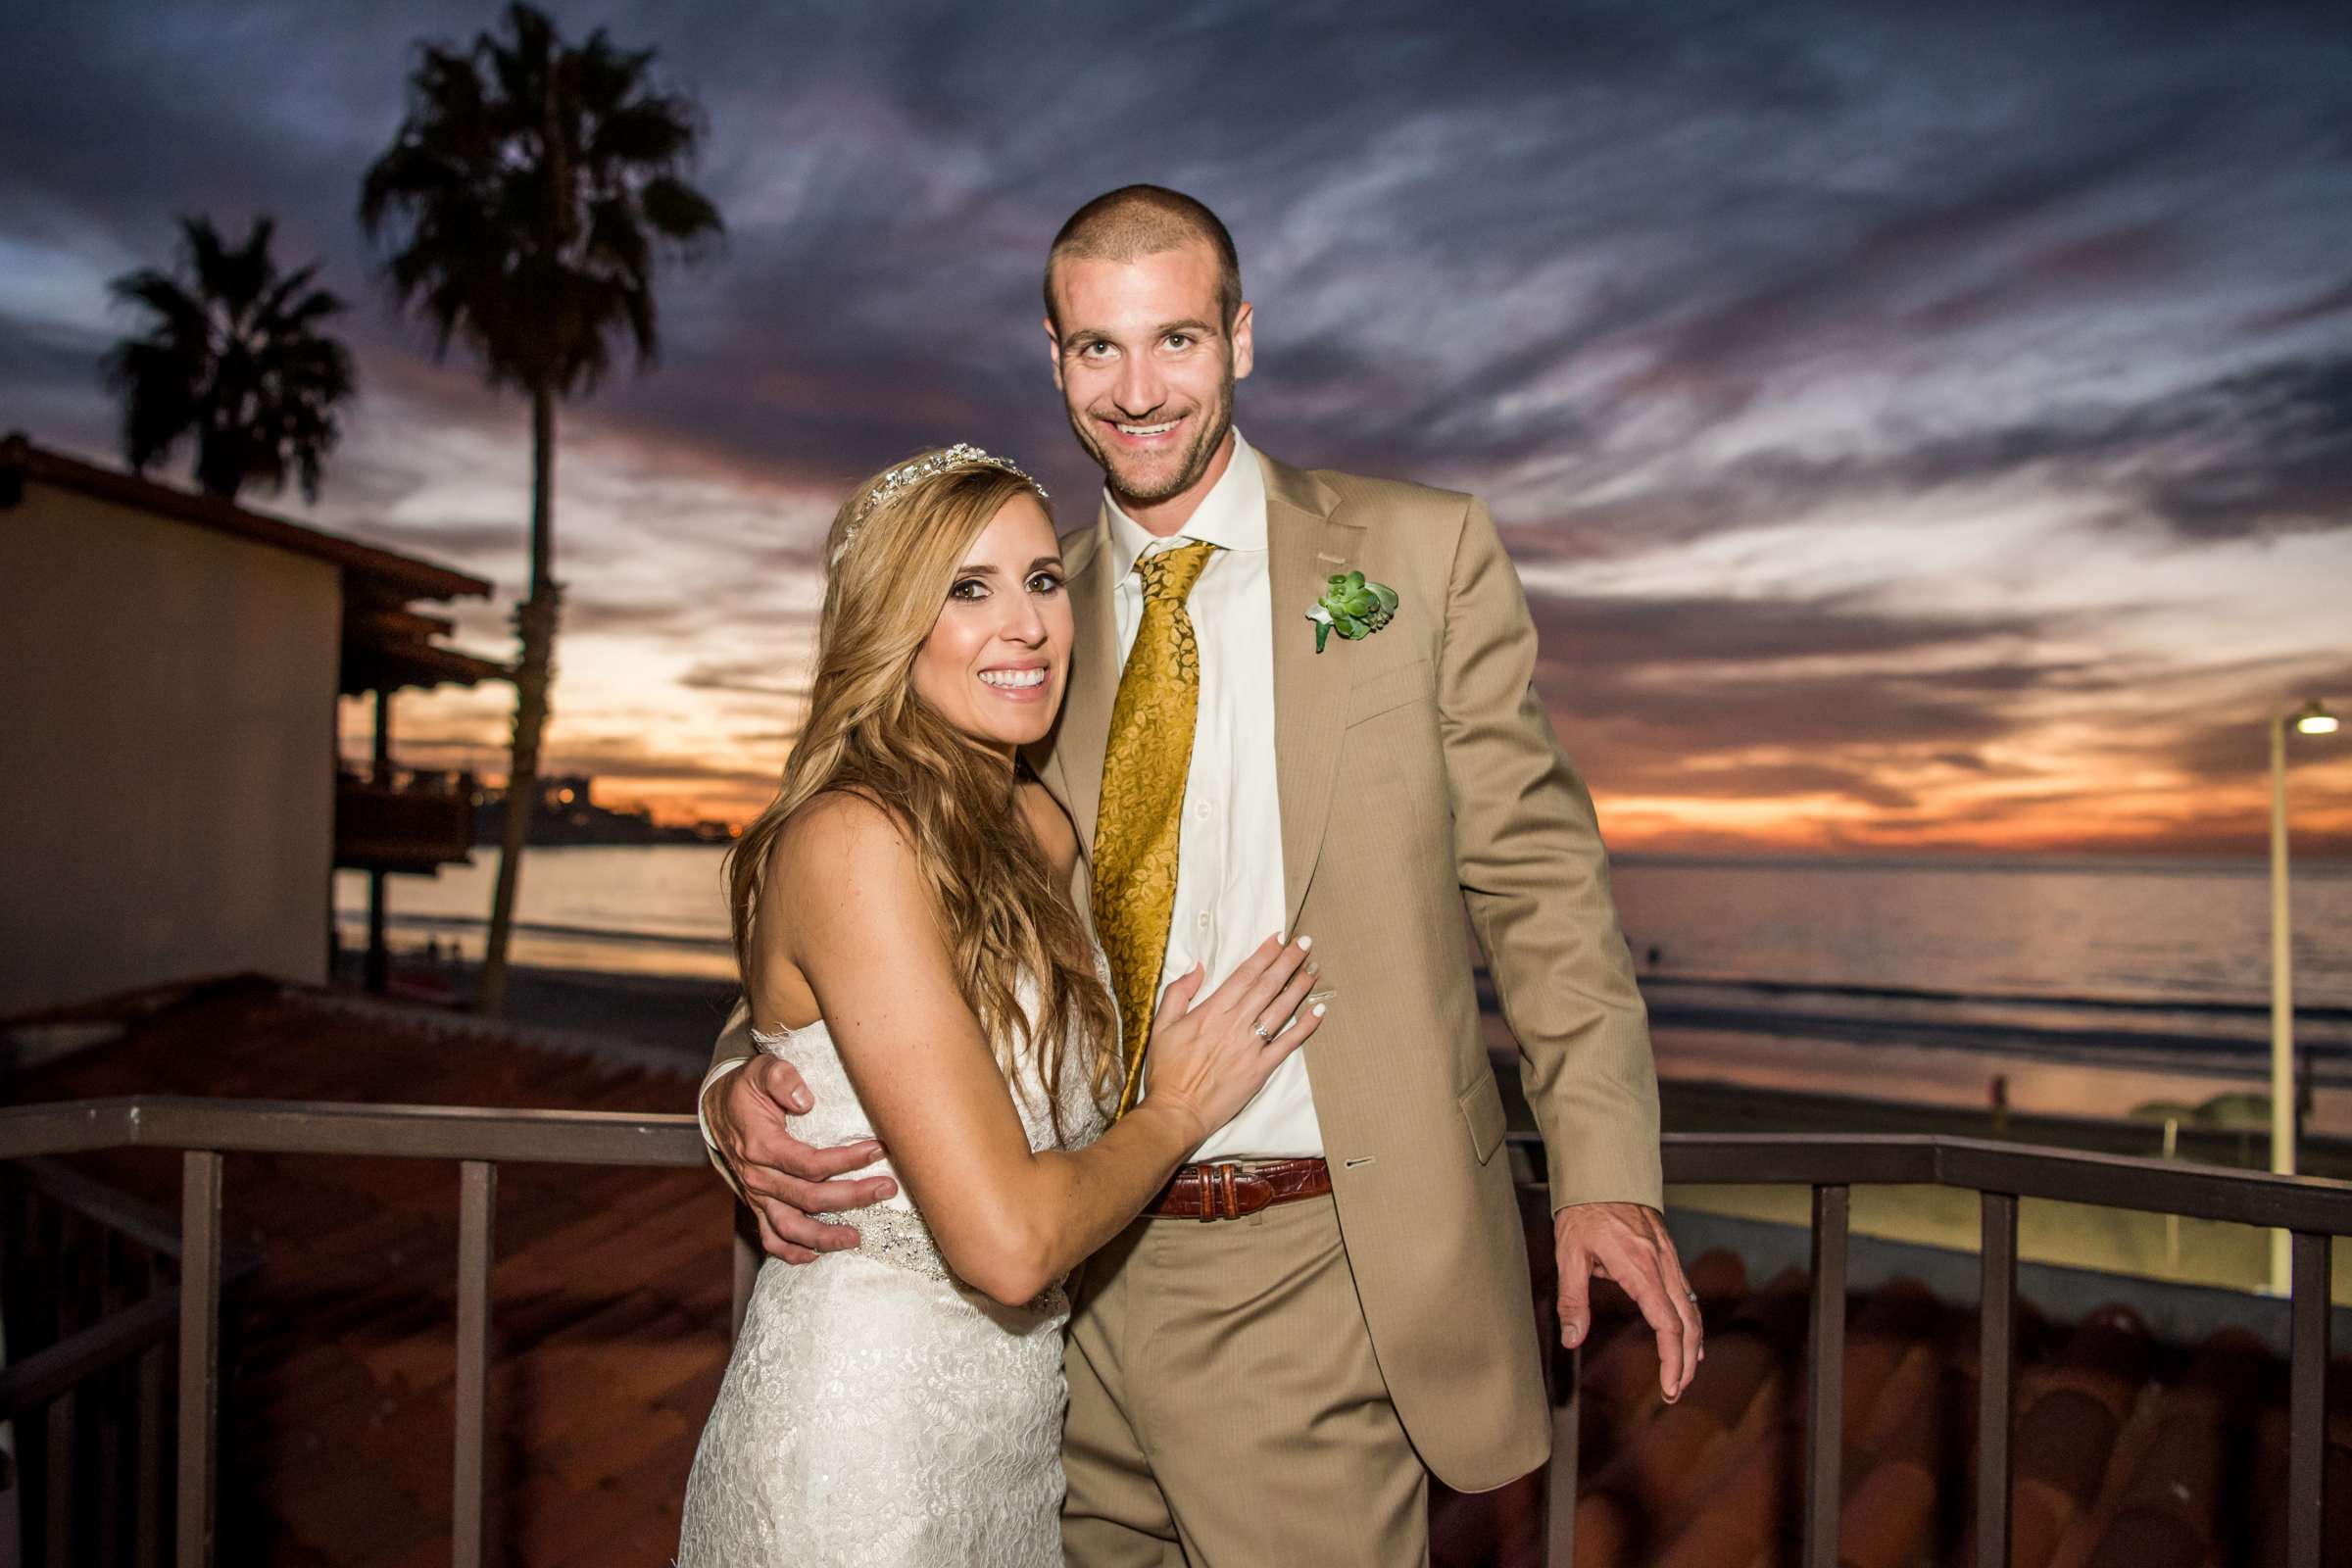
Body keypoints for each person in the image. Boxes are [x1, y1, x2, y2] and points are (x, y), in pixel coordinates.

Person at [701, 187, 1700, 1566]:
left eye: (1175, 338)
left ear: (1242, 337)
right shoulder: (1028, 609)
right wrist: (741, 1083)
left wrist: (1602, 1169)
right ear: (1054, 360)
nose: (1138, 388)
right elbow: (885, 886)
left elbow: (1539, 880)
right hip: (1058, 1289)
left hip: (1314, 1257)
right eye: (1097, 349)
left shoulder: (1416, 556)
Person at [675, 445, 1326, 1566]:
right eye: (966, 589)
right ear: (891, 623)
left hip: (1012, 1449)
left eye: (1039, 579)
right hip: (859, 1458)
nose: (1024, 622)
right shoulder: (852, 839)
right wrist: (1172, 1112)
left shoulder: (1039, 831)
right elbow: (1012, 1244)